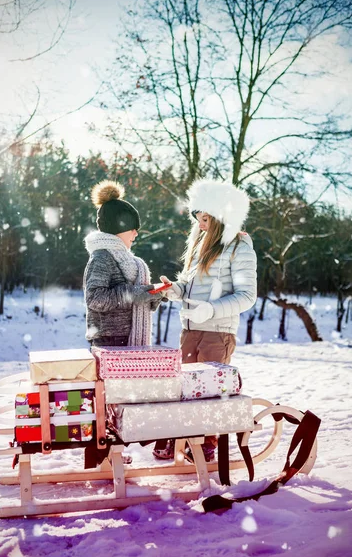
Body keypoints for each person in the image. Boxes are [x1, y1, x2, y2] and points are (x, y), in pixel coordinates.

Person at [153, 179, 257, 462]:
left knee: (210, 391)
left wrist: (211, 310)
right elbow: (190, 287)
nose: (199, 225)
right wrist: (174, 290)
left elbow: (247, 296)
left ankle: (207, 442)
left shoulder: (239, 247)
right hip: (190, 330)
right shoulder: (200, 245)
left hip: (217, 333)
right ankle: (182, 437)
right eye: (198, 219)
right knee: (184, 388)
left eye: (205, 219)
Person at [83, 180, 162, 348]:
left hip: (127, 337)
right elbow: (95, 299)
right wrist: (134, 295)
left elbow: (133, 298)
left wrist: (152, 295)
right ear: (117, 227)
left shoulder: (129, 261)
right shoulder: (102, 257)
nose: (136, 233)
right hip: (108, 340)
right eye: (132, 228)